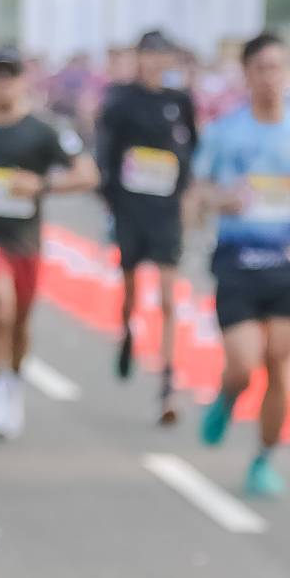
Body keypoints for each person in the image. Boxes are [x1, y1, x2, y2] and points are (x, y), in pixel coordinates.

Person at [189, 31, 290, 499]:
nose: (271, 77)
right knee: (244, 362)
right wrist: (221, 200)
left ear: (289, 73)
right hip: (237, 259)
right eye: (261, 69)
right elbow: (197, 192)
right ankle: (228, 394)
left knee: (279, 362)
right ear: (247, 75)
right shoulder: (225, 132)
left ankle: (263, 460)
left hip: (287, 262)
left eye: (278, 68)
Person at [0, 48, 96, 438]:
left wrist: (40, 184)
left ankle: (12, 382)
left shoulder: (43, 130)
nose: (3, 84)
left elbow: (87, 174)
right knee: (0, 308)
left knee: (20, 320)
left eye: (10, 76)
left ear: (24, 81)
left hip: (25, 238)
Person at [95, 26, 200, 421]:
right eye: (149, 54)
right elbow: (105, 151)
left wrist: (187, 196)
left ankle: (168, 385)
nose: (156, 61)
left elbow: (192, 148)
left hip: (166, 210)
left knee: (169, 296)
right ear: (138, 58)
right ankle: (127, 331)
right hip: (130, 208)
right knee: (131, 292)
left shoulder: (180, 101)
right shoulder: (121, 99)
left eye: (162, 54)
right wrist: (110, 196)